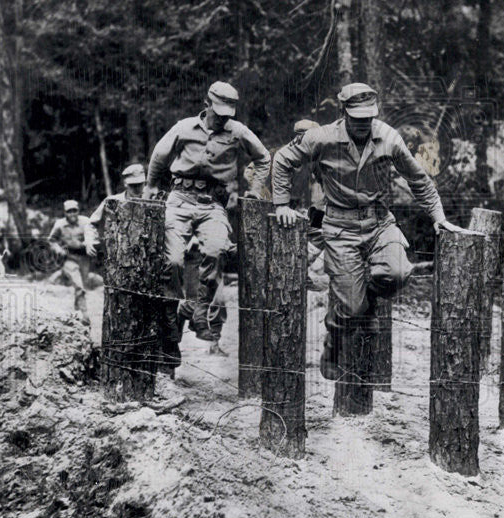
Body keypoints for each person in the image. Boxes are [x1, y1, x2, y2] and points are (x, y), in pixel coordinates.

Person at [272, 82, 462, 380]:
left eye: (368, 117)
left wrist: (438, 215)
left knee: (397, 274)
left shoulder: (388, 137)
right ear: (343, 112)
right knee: (349, 308)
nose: (362, 123)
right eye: (356, 117)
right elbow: (283, 160)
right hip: (339, 226)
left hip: (379, 222)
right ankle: (334, 343)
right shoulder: (321, 137)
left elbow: (419, 179)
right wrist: (281, 203)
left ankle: (364, 302)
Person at [145, 81, 271, 373]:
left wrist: (254, 189)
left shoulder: (237, 131)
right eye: (218, 112)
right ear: (206, 104)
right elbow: (159, 156)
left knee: (216, 251)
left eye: (228, 113)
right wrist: (151, 187)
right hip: (179, 199)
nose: (222, 118)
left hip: (213, 203)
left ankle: (200, 312)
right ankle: (174, 322)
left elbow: (263, 157)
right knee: (172, 261)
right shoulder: (184, 127)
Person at [85, 163, 148, 265]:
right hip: (118, 257)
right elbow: (91, 223)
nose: (136, 189)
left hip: (145, 257)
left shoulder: (151, 202)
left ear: (145, 183)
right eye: (133, 185)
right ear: (125, 184)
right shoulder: (112, 202)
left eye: (139, 184)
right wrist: (89, 240)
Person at [48, 199, 92, 317]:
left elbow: (93, 235)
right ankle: (85, 315)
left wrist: (88, 243)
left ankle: (76, 312)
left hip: (83, 257)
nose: (72, 214)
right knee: (79, 285)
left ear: (78, 211)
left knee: (83, 285)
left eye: (74, 211)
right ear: (65, 213)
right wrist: (59, 250)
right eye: (69, 212)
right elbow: (51, 240)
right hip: (68, 258)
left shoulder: (86, 222)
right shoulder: (60, 224)